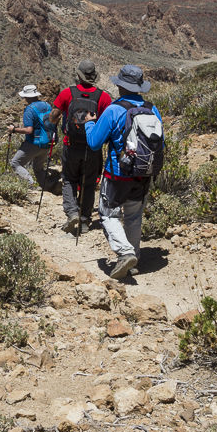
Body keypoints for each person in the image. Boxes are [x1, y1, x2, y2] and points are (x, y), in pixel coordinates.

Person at [85, 64, 164, 280]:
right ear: (139, 87)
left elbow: (93, 143)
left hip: (117, 173)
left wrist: (89, 124)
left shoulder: (113, 110)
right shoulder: (152, 109)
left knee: (108, 213)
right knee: (133, 216)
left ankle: (125, 252)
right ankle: (133, 261)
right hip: (143, 172)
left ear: (120, 86)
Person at [48, 60, 112, 234]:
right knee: (88, 183)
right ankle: (84, 220)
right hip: (92, 147)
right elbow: (108, 121)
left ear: (78, 76)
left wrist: (53, 121)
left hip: (71, 145)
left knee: (69, 179)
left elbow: (54, 116)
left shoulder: (68, 93)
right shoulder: (103, 97)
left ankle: (71, 212)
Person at [7, 85, 55, 189]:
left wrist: (14, 129)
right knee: (38, 168)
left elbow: (29, 130)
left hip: (33, 143)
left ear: (27, 97)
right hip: (47, 142)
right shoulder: (47, 105)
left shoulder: (29, 109)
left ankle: (30, 184)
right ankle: (48, 187)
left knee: (15, 163)